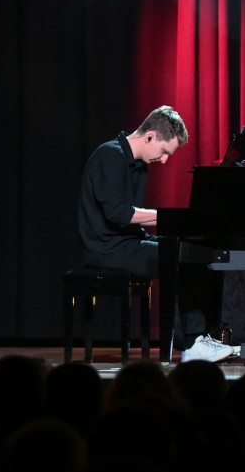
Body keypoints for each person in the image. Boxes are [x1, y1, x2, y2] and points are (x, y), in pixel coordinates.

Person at [77, 105, 236, 363]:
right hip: (105, 249)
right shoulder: (110, 155)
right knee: (183, 257)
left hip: (129, 241)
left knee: (196, 252)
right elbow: (118, 214)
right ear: (150, 137)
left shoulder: (138, 164)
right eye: (164, 152)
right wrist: (168, 217)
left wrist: (174, 223)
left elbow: (130, 220)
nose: (164, 161)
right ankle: (193, 344)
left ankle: (202, 337)